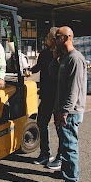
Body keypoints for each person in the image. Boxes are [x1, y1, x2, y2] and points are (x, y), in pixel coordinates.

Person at [51, 26, 87, 182]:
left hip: (69, 112)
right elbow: (52, 75)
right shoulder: (64, 58)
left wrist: (64, 112)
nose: (53, 40)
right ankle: (67, 172)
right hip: (62, 109)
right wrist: (55, 57)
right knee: (65, 145)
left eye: (56, 37)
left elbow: (74, 89)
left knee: (70, 146)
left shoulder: (75, 59)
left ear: (66, 38)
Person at [28, 27, 62, 168]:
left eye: (48, 37)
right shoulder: (44, 53)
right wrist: (29, 70)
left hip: (58, 95)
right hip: (46, 94)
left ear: (54, 39)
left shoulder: (61, 54)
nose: (45, 39)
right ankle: (45, 154)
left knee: (60, 127)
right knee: (41, 122)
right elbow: (38, 66)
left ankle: (61, 157)